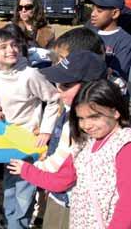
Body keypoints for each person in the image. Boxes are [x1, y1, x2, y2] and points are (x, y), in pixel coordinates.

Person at [8, 79, 131, 228]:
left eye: (94, 116)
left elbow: (127, 205)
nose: (86, 125)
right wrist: (27, 170)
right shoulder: (84, 143)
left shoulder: (124, 146)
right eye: (81, 118)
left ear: (115, 111)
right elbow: (62, 180)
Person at [0, 29, 59, 229]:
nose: (11, 49)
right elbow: (0, 94)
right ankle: (10, 220)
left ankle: (19, 225)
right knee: (10, 182)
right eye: (3, 47)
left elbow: (54, 100)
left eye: (14, 45)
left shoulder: (30, 75)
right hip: (9, 137)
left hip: (29, 140)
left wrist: (45, 130)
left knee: (25, 188)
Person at [32, 50, 107, 229]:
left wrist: (29, 170)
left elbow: (61, 163)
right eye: (57, 84)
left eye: (65, 85)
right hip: (60, 194)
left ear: (91, 87)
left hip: (73, 202)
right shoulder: (70, 110)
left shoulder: (85, 125)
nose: (58, 92)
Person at [85, 0, 131, 81]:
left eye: (99, 11)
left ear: (115, 13)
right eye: (93, 9)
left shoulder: (125, 40)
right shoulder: (88, 32)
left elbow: (118, 75)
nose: (93, 14)